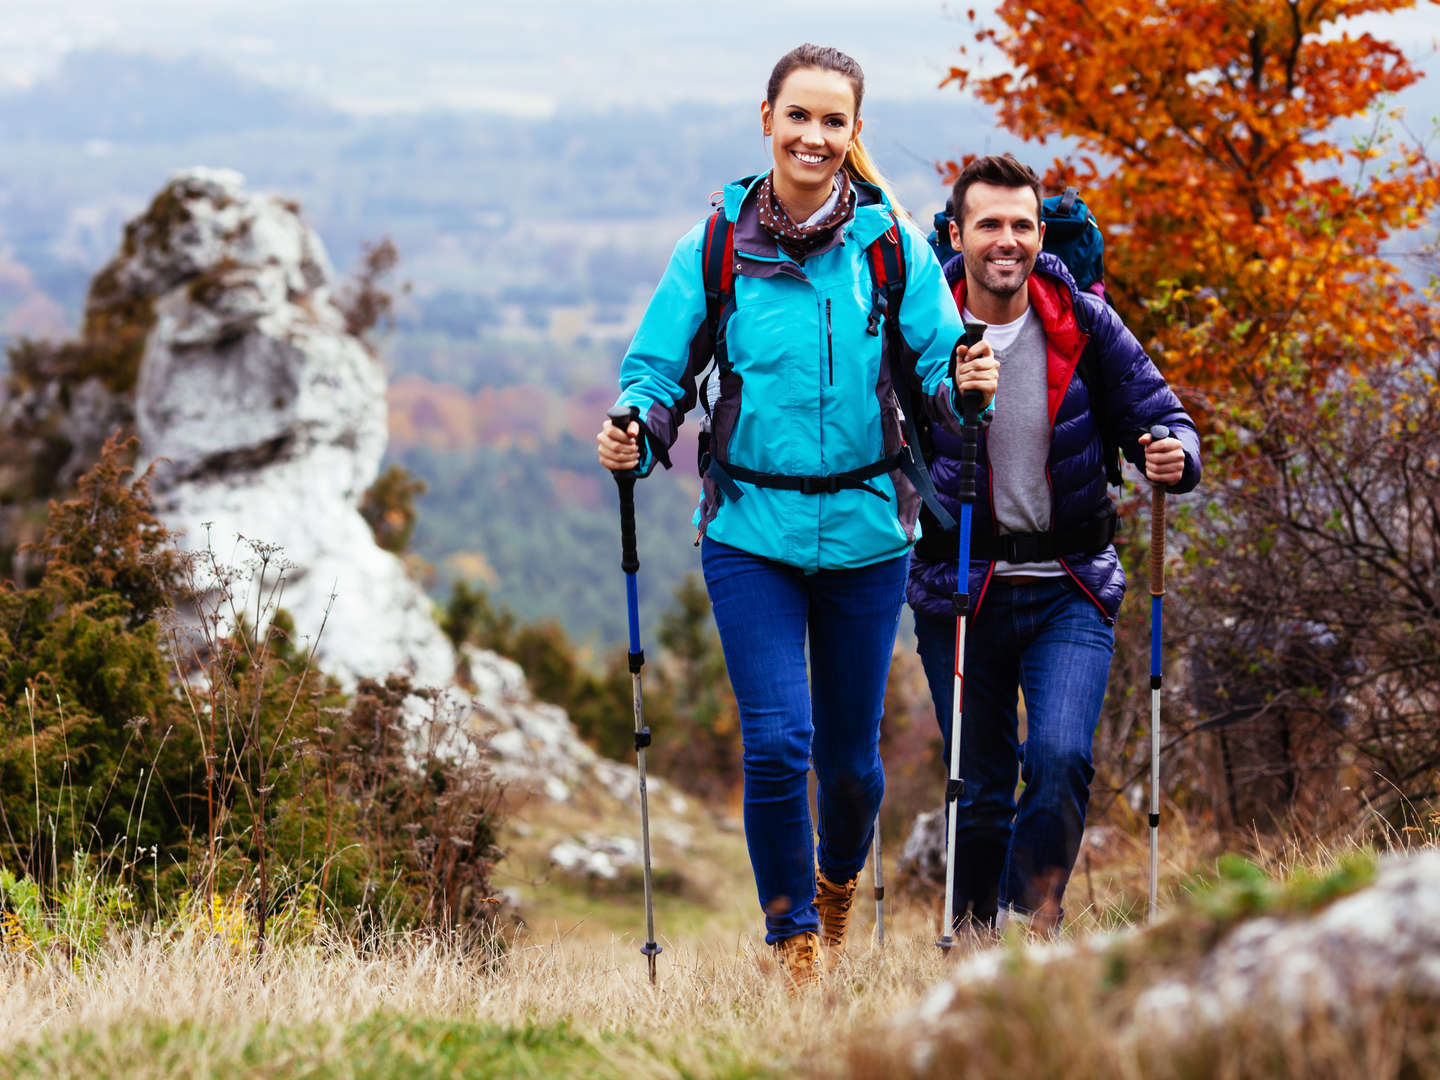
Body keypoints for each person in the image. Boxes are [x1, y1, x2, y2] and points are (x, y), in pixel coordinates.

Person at [596, 44, 997, 986]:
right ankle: (791, 944)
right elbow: (658, 372)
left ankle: (835, 884)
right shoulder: (716, 246)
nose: (815, 136)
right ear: (766, 119)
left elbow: (940, 364)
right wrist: (638, 433)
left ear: (855, 134)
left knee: (852, 766)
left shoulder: (889, 243)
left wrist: (966, 386)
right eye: (800, 117)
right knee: (779, 741)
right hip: (750, 534)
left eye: (834, 121)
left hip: (867, 533)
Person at [907, 154, 1201, 933]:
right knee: (977, 783)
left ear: (1042, 234)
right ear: (959, 234)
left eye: (1022, 225)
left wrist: (1173, 454)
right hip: (957, 586)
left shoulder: (1083, 321)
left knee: (1062, 760)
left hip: (1069, 583)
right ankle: (970, 945)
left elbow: (1163, 415)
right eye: (990, 225)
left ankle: (1029, 926)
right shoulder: (923, 327)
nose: (1007, 240)